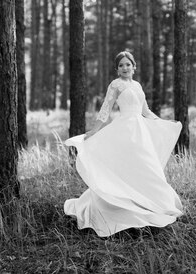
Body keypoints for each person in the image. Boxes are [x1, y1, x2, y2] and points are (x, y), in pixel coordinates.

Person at [64, 51, 183, 237]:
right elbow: (105, 109)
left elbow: (145, 111)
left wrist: (163, 122)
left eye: (128, 64)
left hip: (140, 131)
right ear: (117, 69)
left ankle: (152, 204)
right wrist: (95, 130)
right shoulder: (116, 85)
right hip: (124, 130)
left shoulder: (137, 85)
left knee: (146, 167)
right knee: (127, 167)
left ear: (134, 66)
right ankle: (121, 208)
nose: (125, 68)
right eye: (121, 65)